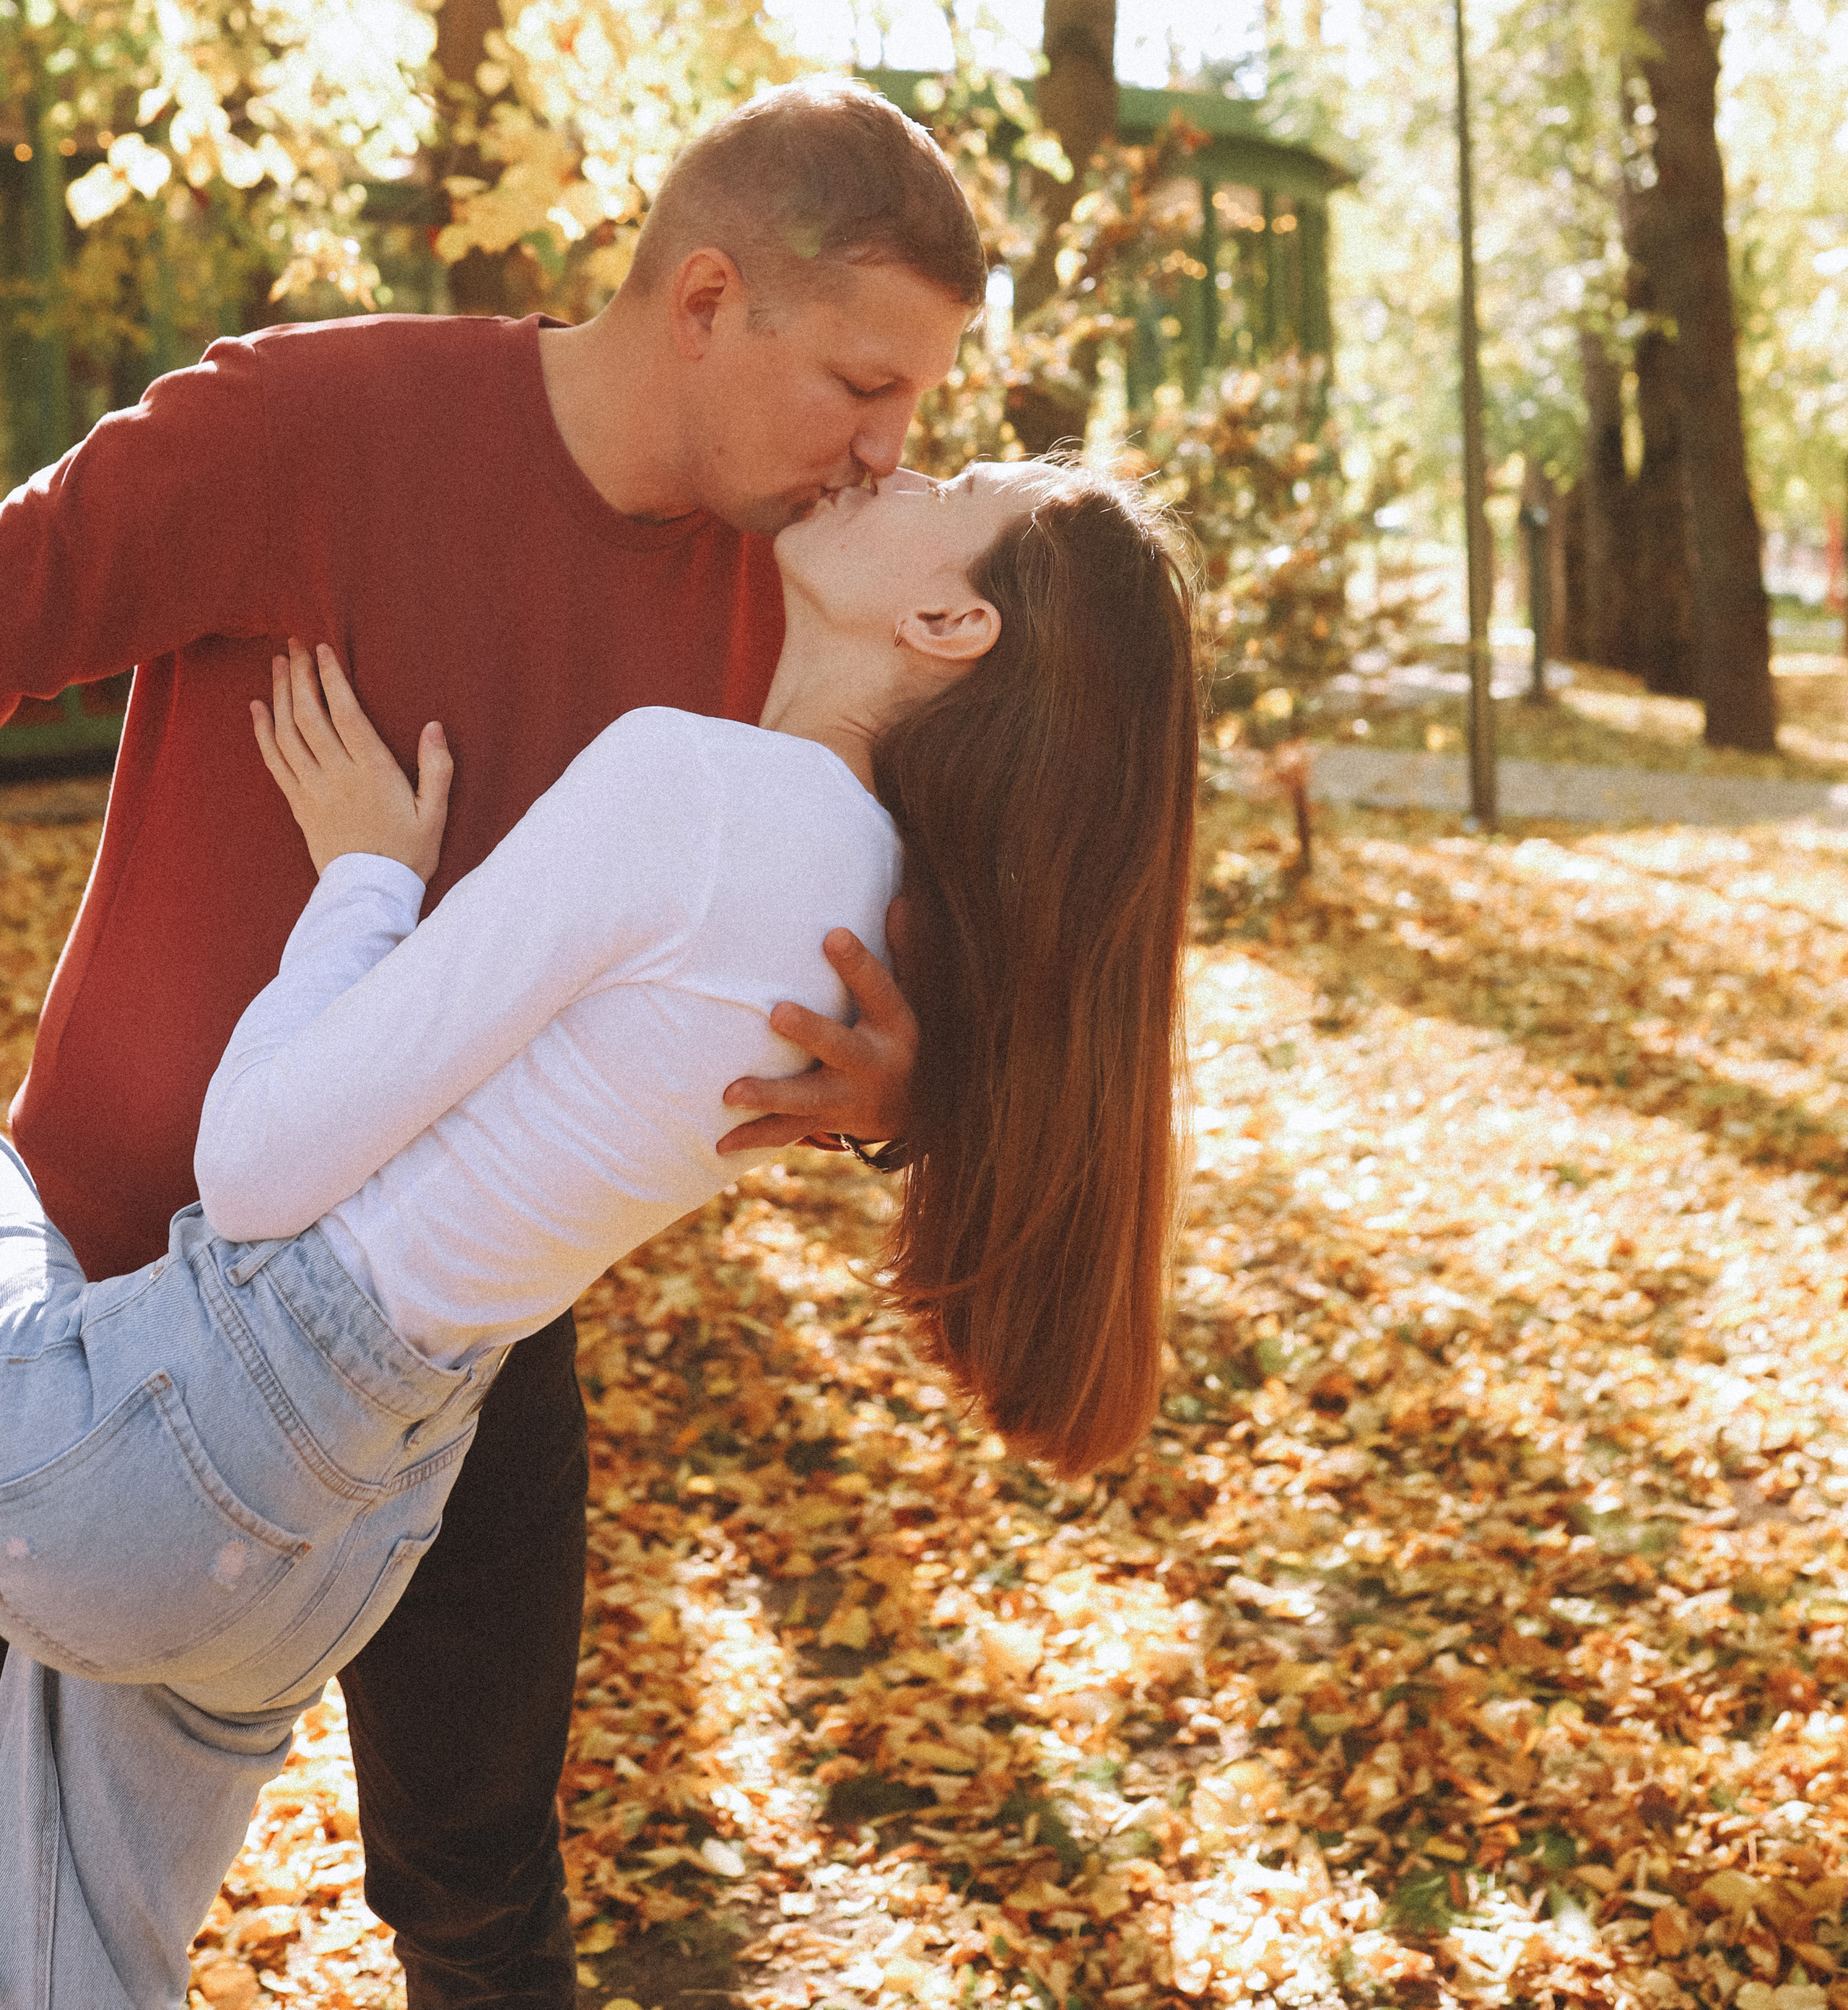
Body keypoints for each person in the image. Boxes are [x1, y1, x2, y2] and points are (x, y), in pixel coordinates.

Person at [0, 78, 986, 2006]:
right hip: (96, 1283)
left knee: (477, 1886)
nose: (889, 455)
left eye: (917, 413)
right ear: (708, 299)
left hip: (445, 1336)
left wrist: (903, 1096)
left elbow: (962, 918)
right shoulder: (312, 429)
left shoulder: (797, 599)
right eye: (865, 387)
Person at [0, 454, 1198, 2010]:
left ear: (946, 618)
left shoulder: (688, 791)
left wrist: (364, 876)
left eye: (951, 475)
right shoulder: (887, 924)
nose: (894, 457)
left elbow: (253, 1168)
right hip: (332, 1552)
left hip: (174, 1445)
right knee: (70, 1962)